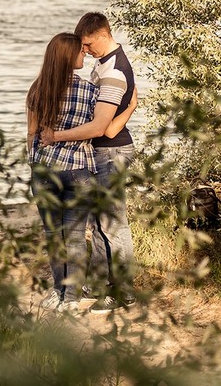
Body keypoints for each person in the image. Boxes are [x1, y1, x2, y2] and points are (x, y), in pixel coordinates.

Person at [26, 32, 134, 313]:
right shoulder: (90, 91)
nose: (84, 55)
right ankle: (71, 298)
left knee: (54, 235)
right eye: (80, 52)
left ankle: (58, 291)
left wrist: (33, 164)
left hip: (45, 171)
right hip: (77, 170)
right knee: (73, 237)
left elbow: (31, 134)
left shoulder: (38, 90)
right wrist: (131, 107)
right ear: (67, 57)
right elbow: (104, 129)